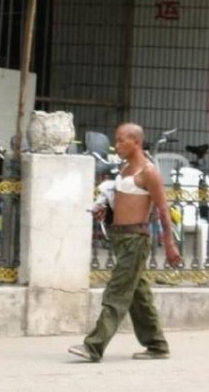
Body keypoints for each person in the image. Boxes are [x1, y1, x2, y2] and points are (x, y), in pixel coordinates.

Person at [69, 122, 181, 362]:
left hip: (135, 241)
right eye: (116, 140)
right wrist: (106, 212)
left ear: (136, 142)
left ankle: (94, 346)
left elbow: (162, 209)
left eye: (121, 140)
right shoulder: (125, 169)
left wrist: (169, 244)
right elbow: (121, 202)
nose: (116, 145)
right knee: (139, 297)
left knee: (117, 292)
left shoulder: (148, 172)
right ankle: (157, 345)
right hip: (120, 238)